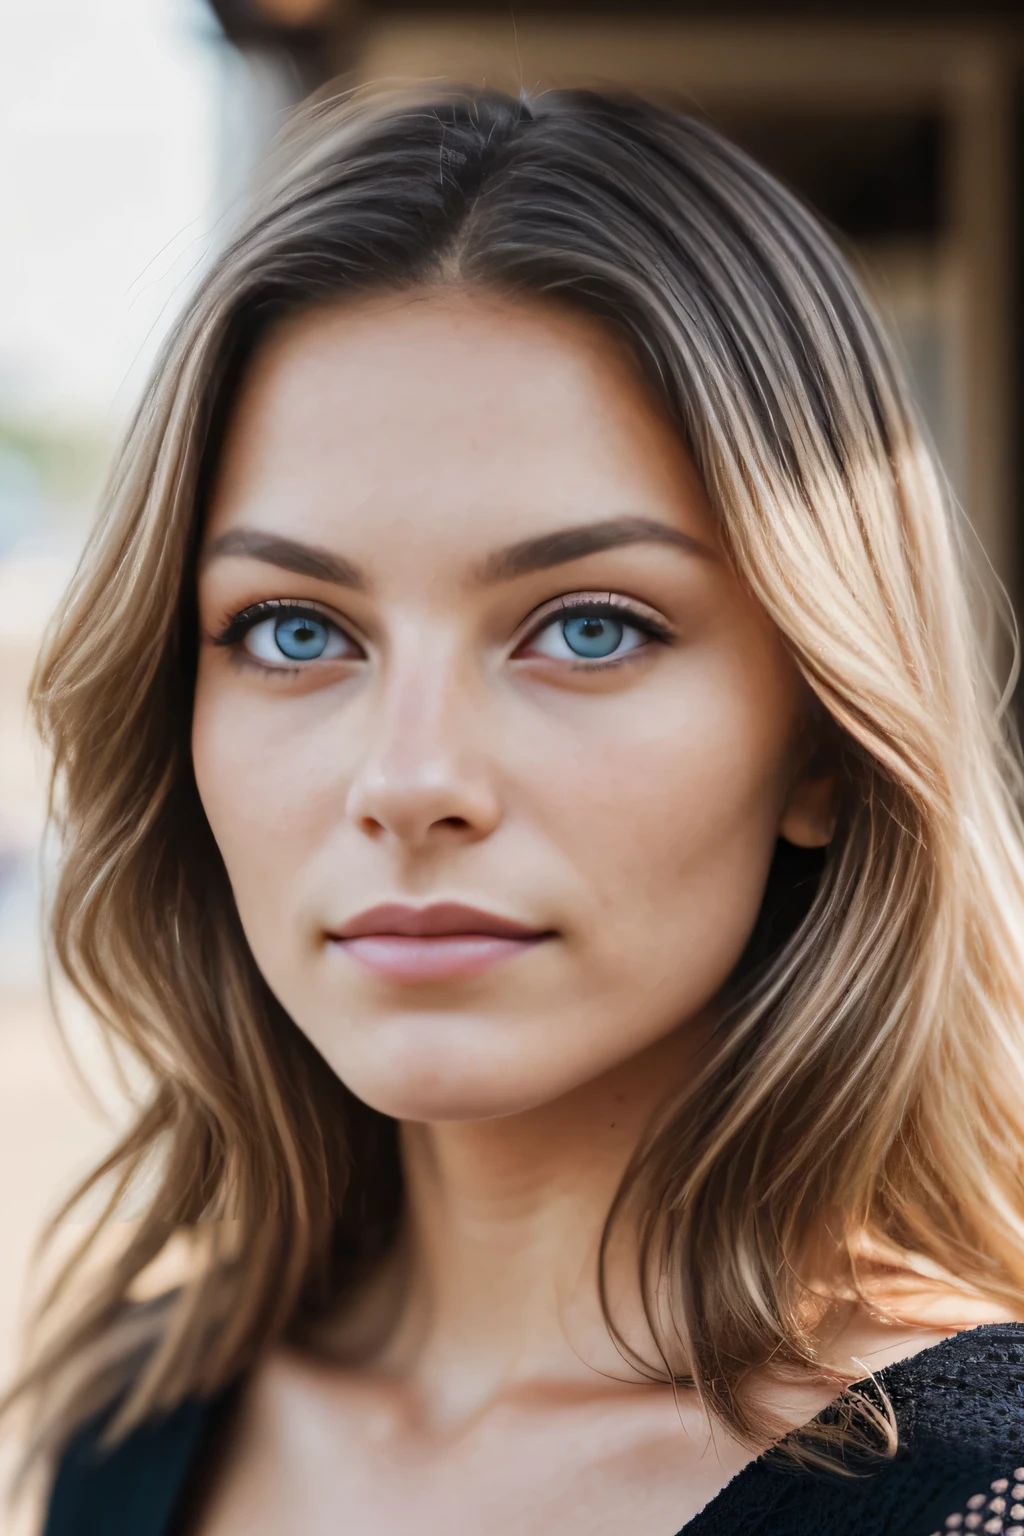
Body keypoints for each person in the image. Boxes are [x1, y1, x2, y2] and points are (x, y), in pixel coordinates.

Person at [6, 82, 1024, 1536]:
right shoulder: (132, 1427)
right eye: (297, 631)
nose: (411, 780)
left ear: (822, 742)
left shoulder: (982, 1501)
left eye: (591, 626)